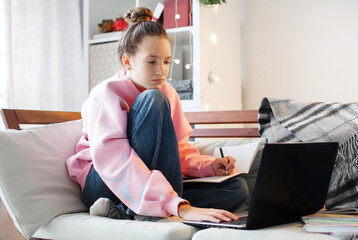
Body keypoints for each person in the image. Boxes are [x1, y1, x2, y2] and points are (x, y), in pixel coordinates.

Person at [66, 6, 248, 223]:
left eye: (166, 61)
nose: (161, 71)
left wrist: (208, 166)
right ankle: (152, 205)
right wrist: (179, 207)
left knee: (238, 188)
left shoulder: (168, 93)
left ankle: (134, 209)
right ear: (127, 61)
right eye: (151, 61)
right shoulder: (106, 94)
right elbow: (114, 161)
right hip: (105, 180)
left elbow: (176, 150)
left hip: (148, 179)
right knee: (153, 99)